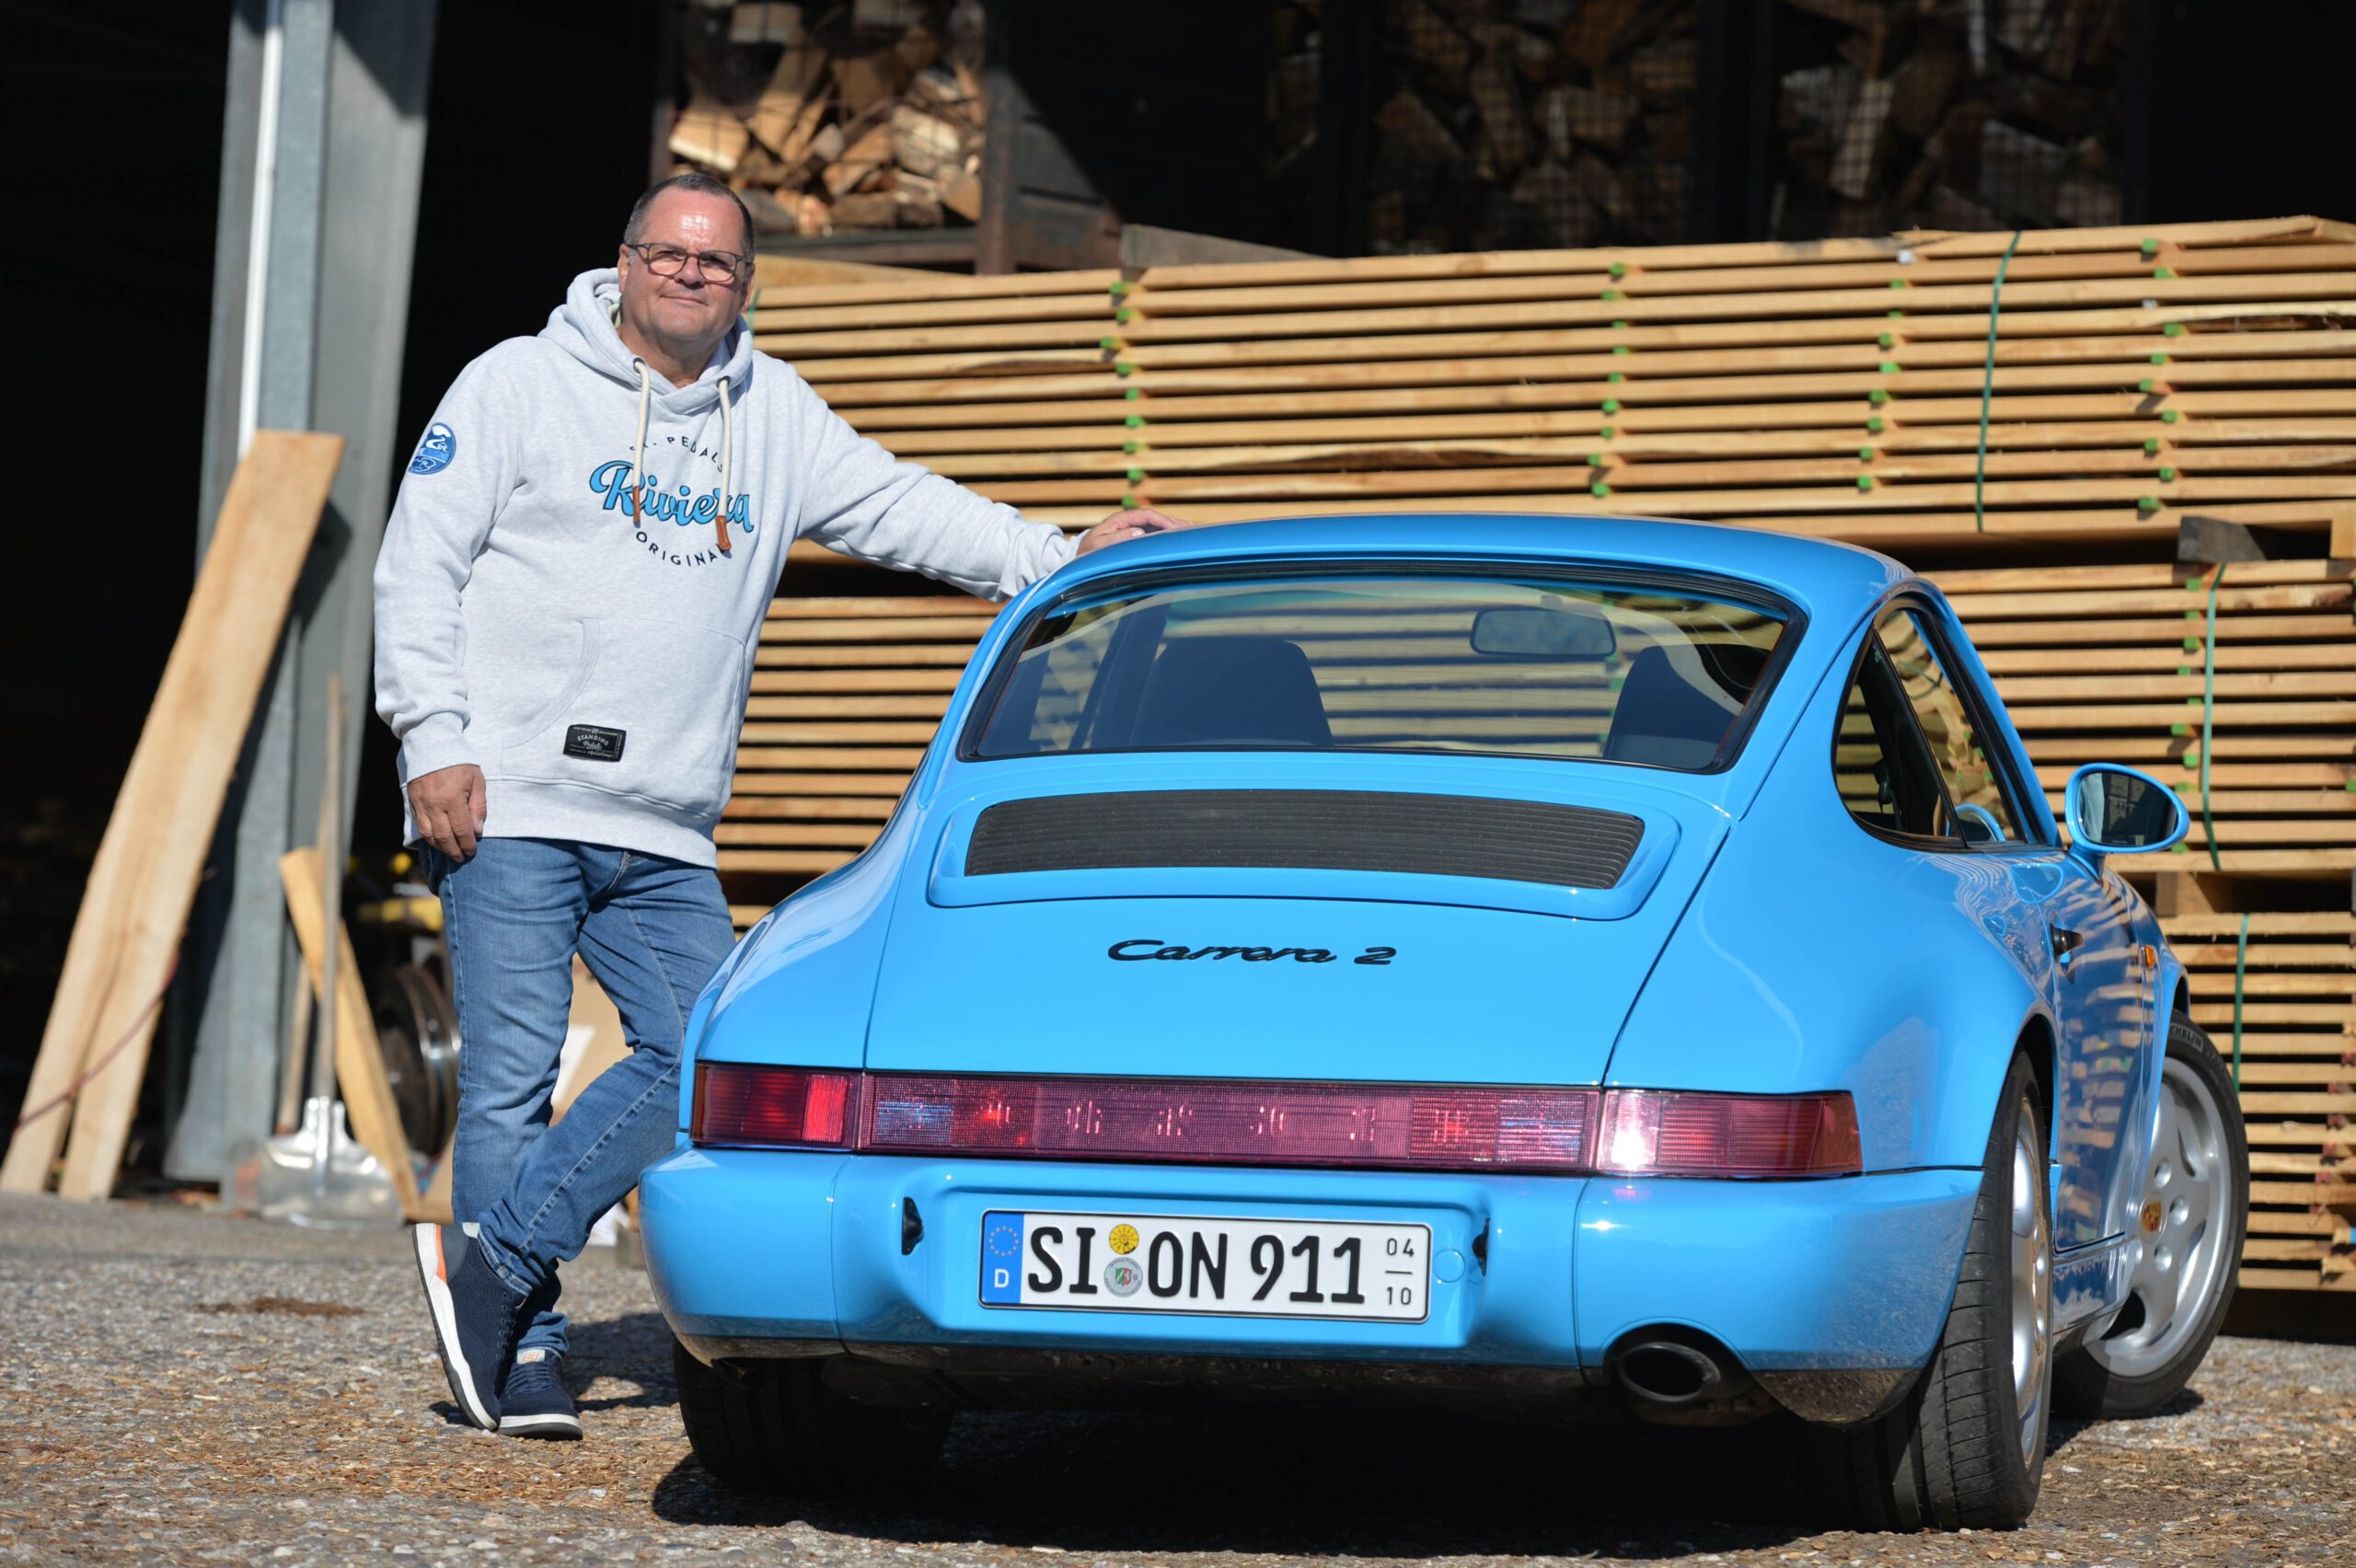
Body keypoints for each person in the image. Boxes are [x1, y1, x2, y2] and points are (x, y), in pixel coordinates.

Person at [375, 172, 1184, 1441]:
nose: (689, 275)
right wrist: (433, 737)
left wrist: (1056, 551)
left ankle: (492, 1269)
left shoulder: (774, 412)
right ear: (625, 261)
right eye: (668, 254)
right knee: (509, 1086)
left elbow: (901, 506)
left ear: (744, 283)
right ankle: (518, 1343)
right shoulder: (515, 384)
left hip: (662, 824)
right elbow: (417, 564)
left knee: (708, 1052)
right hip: (512, 794)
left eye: (716, 263)